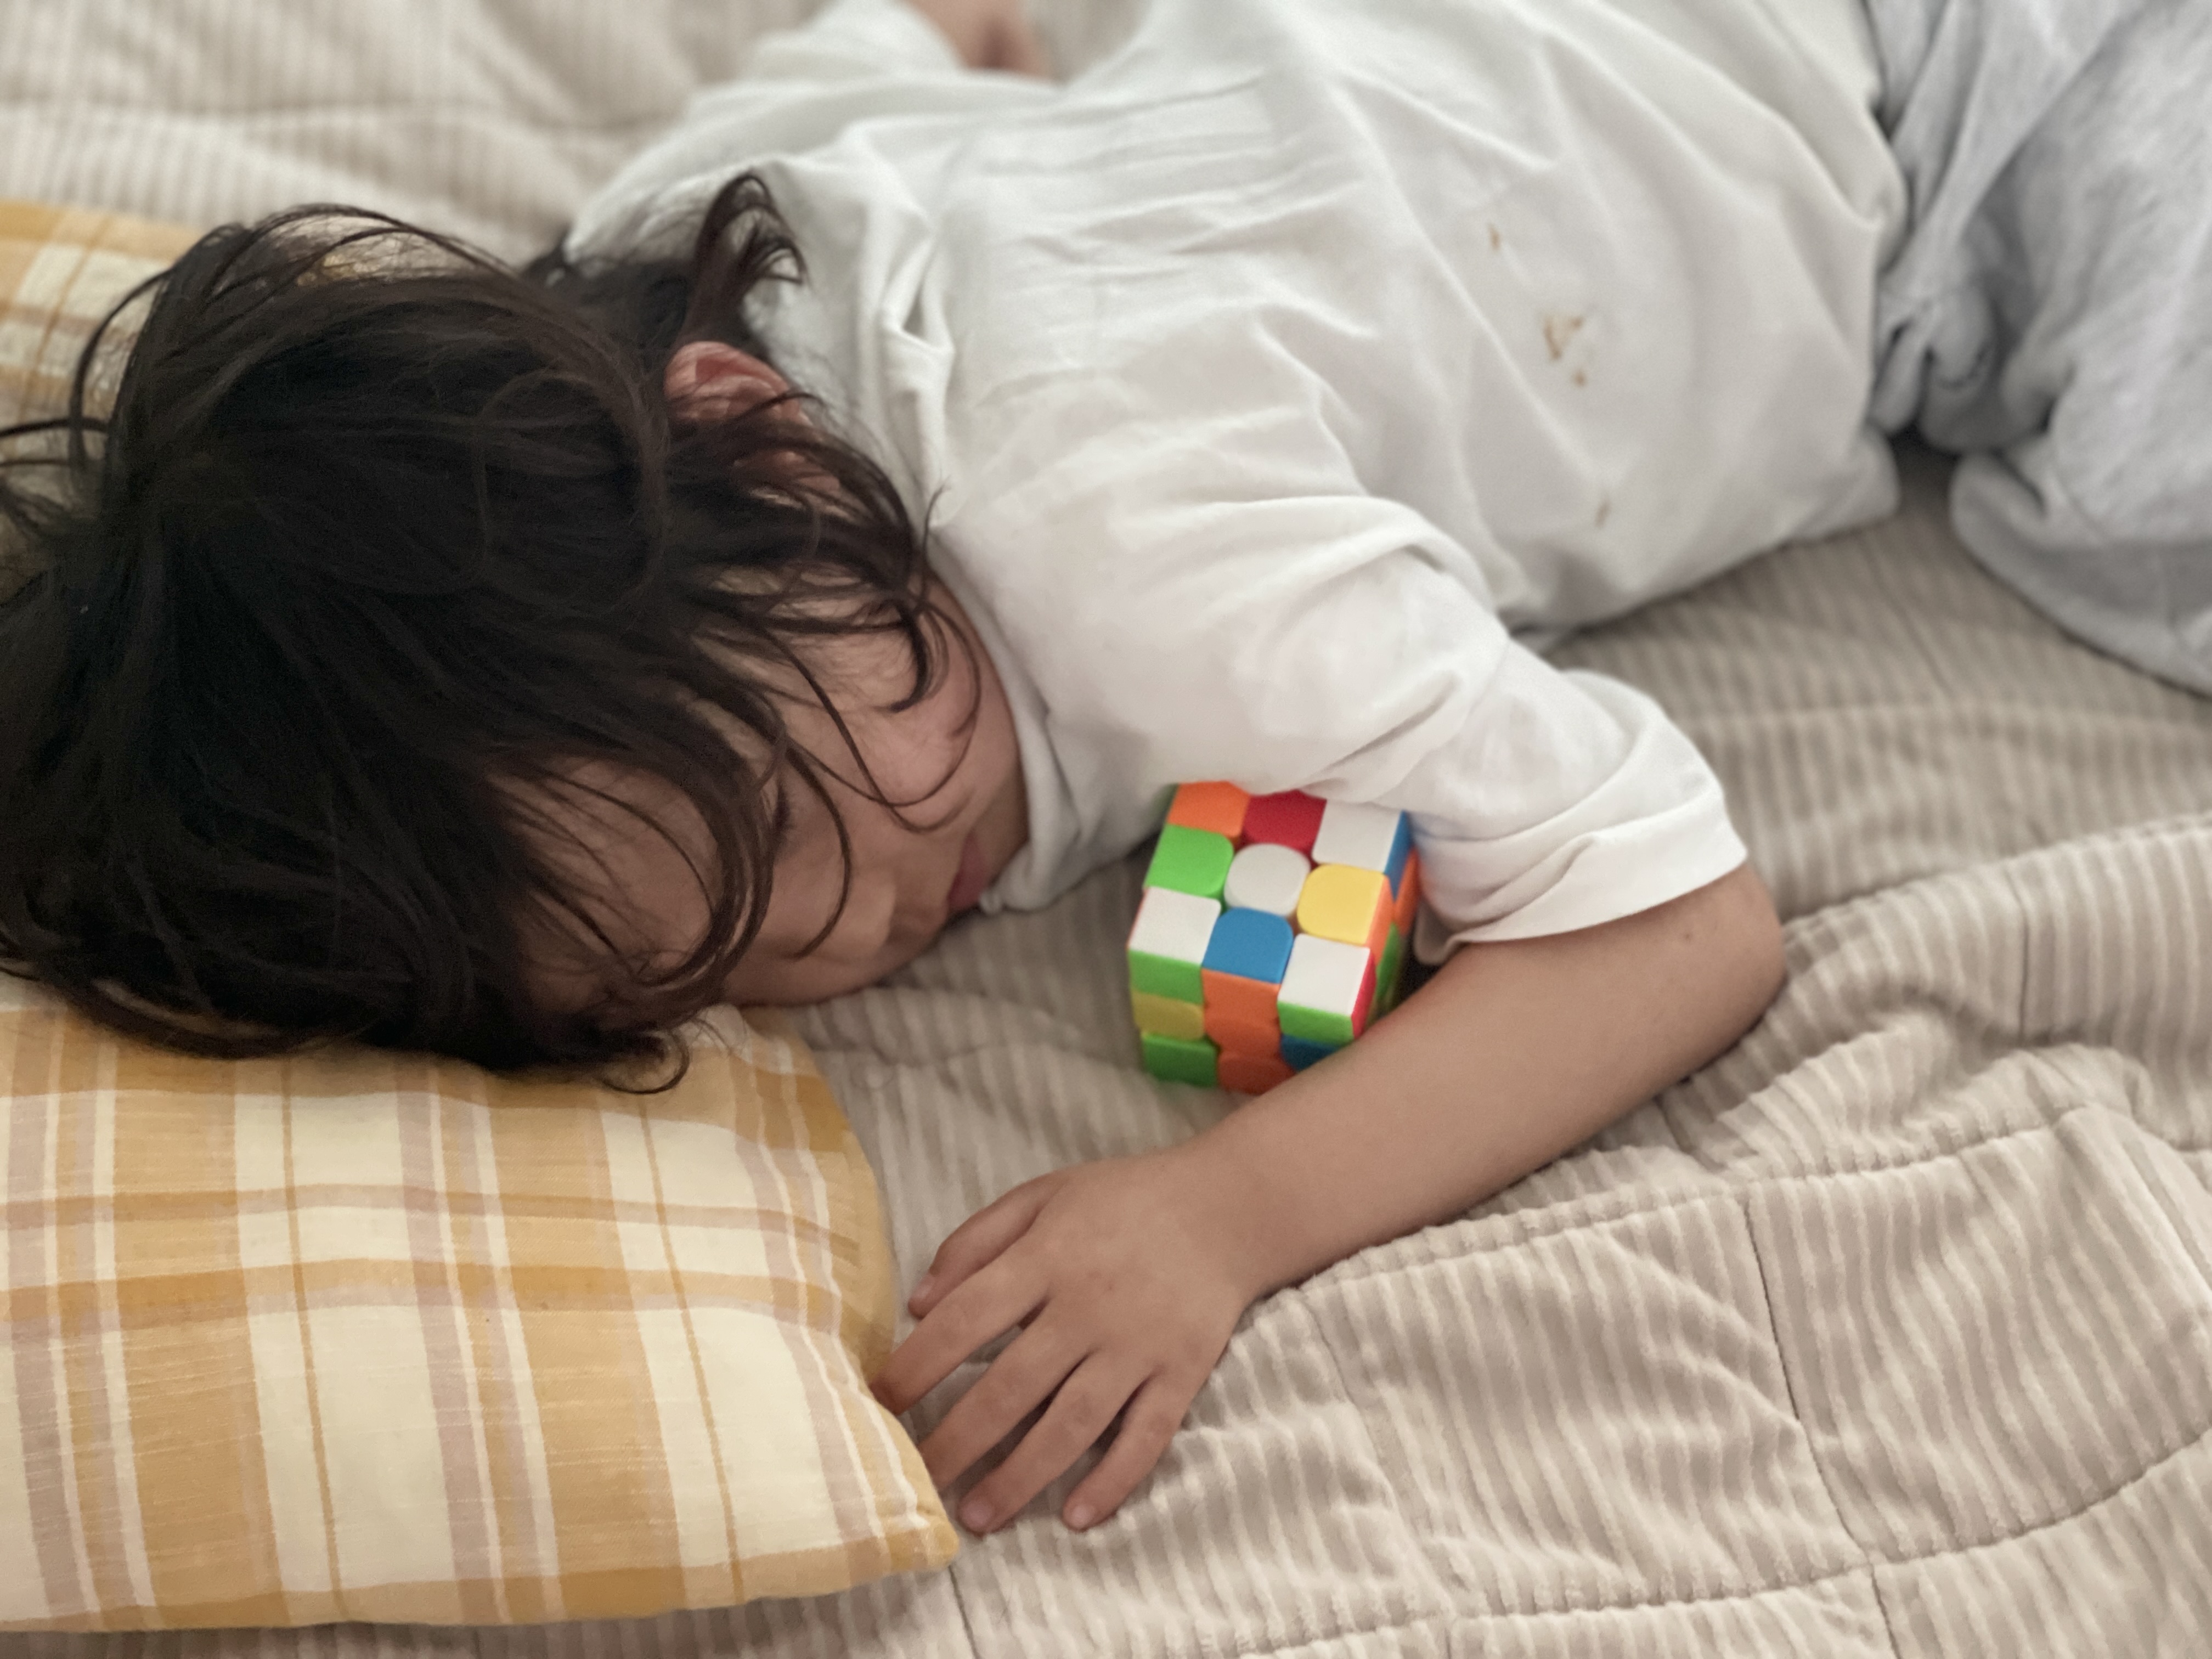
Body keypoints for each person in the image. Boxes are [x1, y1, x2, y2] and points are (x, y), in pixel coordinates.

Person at [0, 0, 2195, 1537]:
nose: (868, 930)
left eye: (796, 825)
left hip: (1974, 109)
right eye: (722, 970)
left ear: (761, 441)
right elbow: (937, 33)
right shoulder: (693, 234)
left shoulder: (1145, 554)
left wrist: (1224, 1217)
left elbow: (1683, 925)